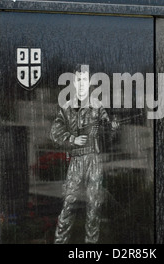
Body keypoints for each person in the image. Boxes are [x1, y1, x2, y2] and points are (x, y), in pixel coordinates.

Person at [50, 64, 118, 244]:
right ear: (74, 81)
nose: (81, 83)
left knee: (94, 207)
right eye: (79, 79)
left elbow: (108, 138)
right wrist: (72, 139)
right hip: (77, 160)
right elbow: (55, 133)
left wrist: (111, 129)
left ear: (90, 82)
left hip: (93, 160)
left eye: (85, 79)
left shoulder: (97, 106)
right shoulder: (66, 106)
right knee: (68, 205)